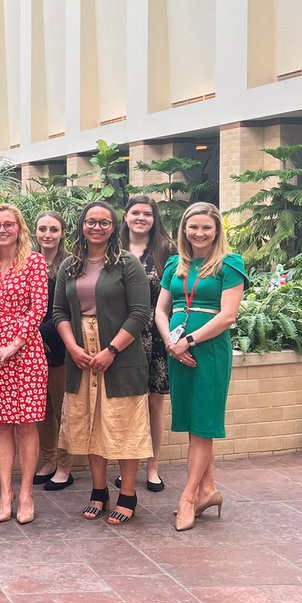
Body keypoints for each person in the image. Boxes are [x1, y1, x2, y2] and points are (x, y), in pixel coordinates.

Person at [52, 201, 152, 526]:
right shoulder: (70, 265)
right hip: (80, 355)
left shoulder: (128, 264)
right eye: (91, 221)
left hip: (119, 355)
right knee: (90, 424)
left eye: (104, 223)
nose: (97, 227)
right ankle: (98, 491)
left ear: (113, 227)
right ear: (82, 225)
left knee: (123, 425)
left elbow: (140, 313)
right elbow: (59, 313)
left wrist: (111, 350)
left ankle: (127, 494)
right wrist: (72, 346)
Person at [155, 202, 248, 532]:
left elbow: (227, 316)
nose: (199, 232)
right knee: (193, 423)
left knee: (204, 424)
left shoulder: (229, 264)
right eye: (192, 226)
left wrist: (188, 341)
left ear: (217, 230)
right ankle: (209, 490)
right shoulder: (174, 264)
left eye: (206, 227)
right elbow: (161, 311)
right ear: (184, 229)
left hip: (207, 350)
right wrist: (170, 342)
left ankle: (189, 497)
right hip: (176, 350)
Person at [0, 205, 49, 525]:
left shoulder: (34, 261)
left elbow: (39, 308)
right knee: (1, 424)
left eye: (8, 224)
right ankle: (6, 493)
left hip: (26, 351)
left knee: (27, 424)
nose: (2, 229)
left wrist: (13, 345)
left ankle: (26, 492)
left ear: (20, 227)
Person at [119, 194, 176, 493]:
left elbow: (176, 294)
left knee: (154, 402)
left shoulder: (166, 251)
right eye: (135, 213)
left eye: (147, 214)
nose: (141, 218)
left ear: (155, 219)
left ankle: (152, 466)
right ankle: (128, 464)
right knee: (127, 404)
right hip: (122, 336)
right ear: (125, 216)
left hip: (156, 336)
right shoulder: (113, 250)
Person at [34, 212, 73, 490]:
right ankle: (47, 460)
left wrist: (42, 334)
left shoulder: (70, 265)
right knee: (42, 411)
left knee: (63, 410)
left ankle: (64, 466)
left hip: (61, 344)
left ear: (62, 233)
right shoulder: (29, 261)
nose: (47, 234)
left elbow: (69, 307)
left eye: (53, 229)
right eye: (42, 229)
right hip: (33, 348)